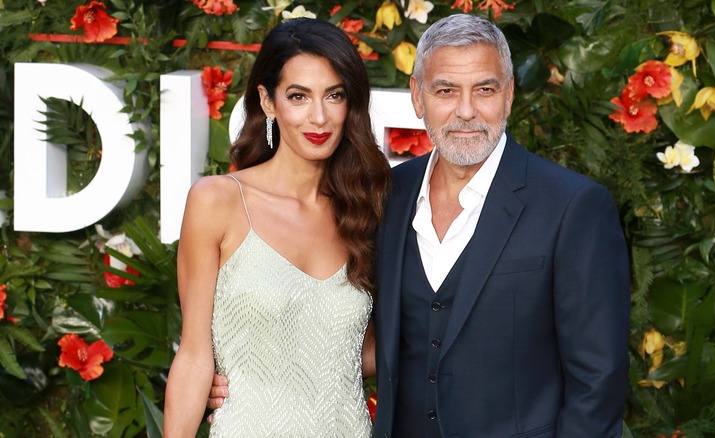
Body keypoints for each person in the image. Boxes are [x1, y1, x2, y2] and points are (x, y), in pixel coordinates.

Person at [210, 13, 630, 437]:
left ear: (508, 95)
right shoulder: (384, 196)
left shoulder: (573, 206)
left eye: (485, 89)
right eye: (445, 90)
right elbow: (346, 332)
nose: (466, 111)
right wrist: (250, 378)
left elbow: (598, 382)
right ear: (417, 96)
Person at [164, 17, 391, 437]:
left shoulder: (367, 209)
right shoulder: (218, 201)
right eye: (299, 96)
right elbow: (195, 356)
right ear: (268, 102)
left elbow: (363, 350)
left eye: (334, 95)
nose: (319, 117)